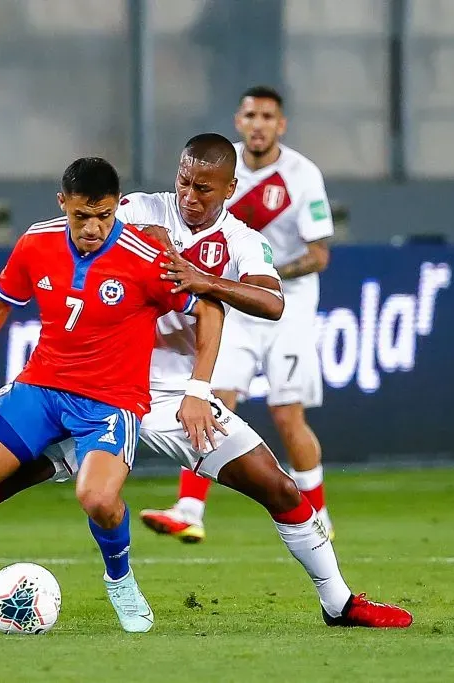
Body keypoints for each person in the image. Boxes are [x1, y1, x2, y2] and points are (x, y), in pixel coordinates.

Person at [0, 136, 412, 630]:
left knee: (279, 490)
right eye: (184, 181)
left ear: (227, 191)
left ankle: (338, 604)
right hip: (102, 390)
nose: (189, 194)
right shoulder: (137, 211)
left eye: (204, 188)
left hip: (184, 398)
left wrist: (204, 310)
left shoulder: (240, 241)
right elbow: (80, 229)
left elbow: (270, 300)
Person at [0, 157, 226, 635]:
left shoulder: (145, 257)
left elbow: (209, 309)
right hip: (42, 387)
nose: (92, 228)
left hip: (111, 400)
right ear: (62, 203)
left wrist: (197, 387)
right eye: (81, 216)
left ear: (116, 208)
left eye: (103, 216)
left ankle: (121, 579)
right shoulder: (37, 242)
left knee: (97, 499)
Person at [141, 86, 336, 542]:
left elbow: (318, 254)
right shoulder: (215, 165)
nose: (259, 124)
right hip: (226, 304)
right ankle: (189, 509)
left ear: (280, 125)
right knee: (213, 397)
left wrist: (260, 275)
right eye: (251, 115)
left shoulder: (302, 175)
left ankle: (319, 517)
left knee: (287, 413)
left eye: (268, 116)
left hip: (285, 306)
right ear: (239, 120)